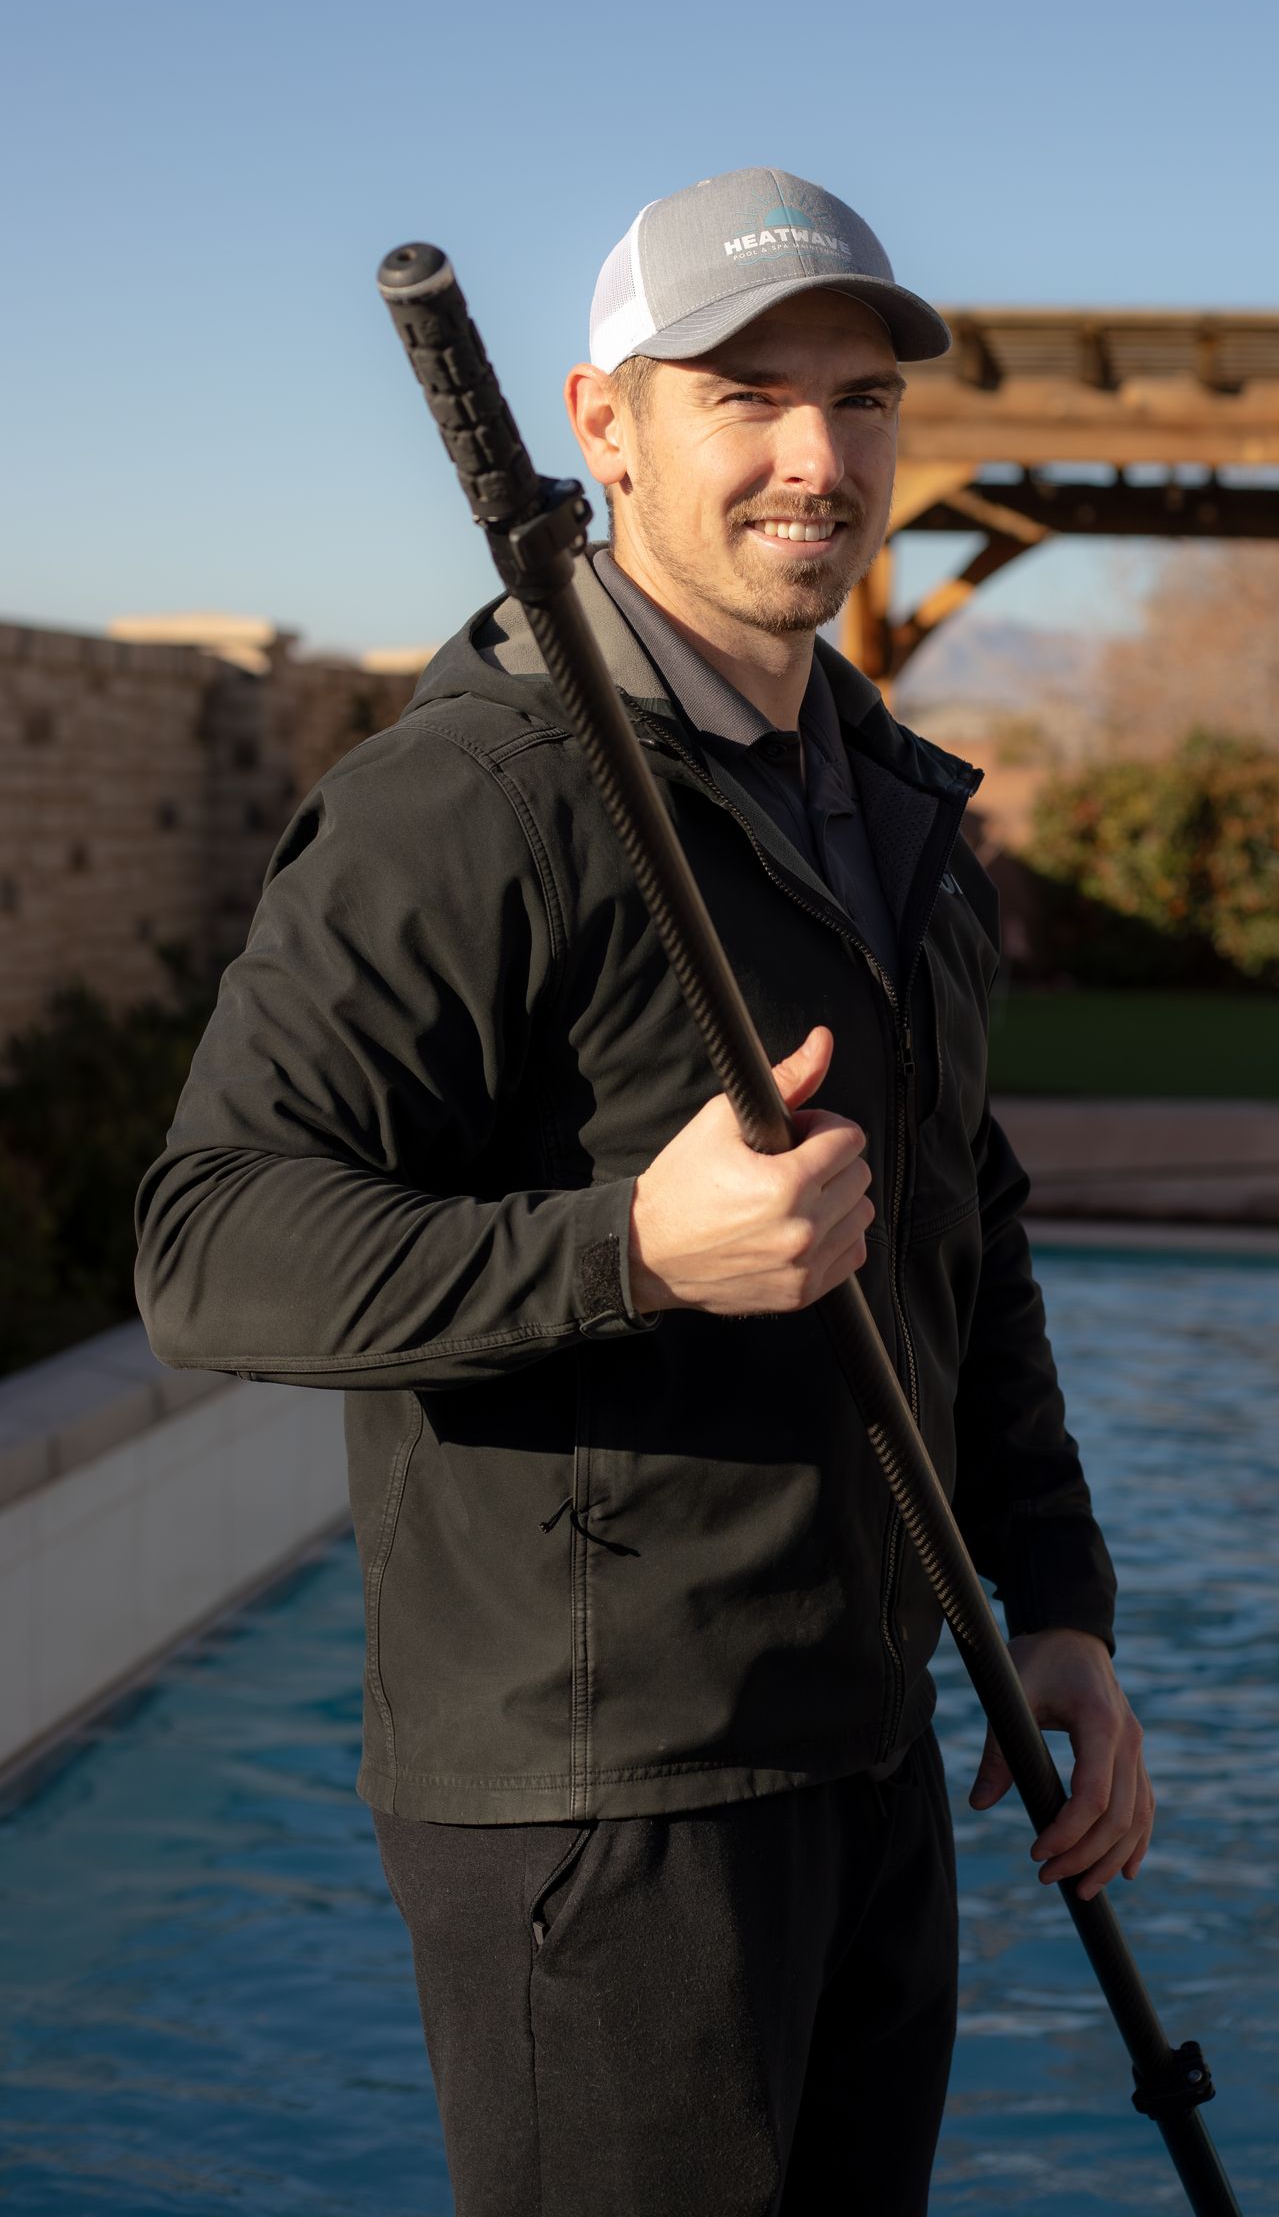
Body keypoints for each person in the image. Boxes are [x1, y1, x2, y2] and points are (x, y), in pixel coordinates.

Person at [136, 167, 1151, 2217]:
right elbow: (209, 1238)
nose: (816, 456)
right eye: (744, 396)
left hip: (864, 1740)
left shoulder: (886, 802)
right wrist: (634, 1250)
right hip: (603, 1802)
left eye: (858, 400)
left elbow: (966, 1218)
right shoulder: (475, 799)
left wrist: (1056, 1600)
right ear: (604, 426)